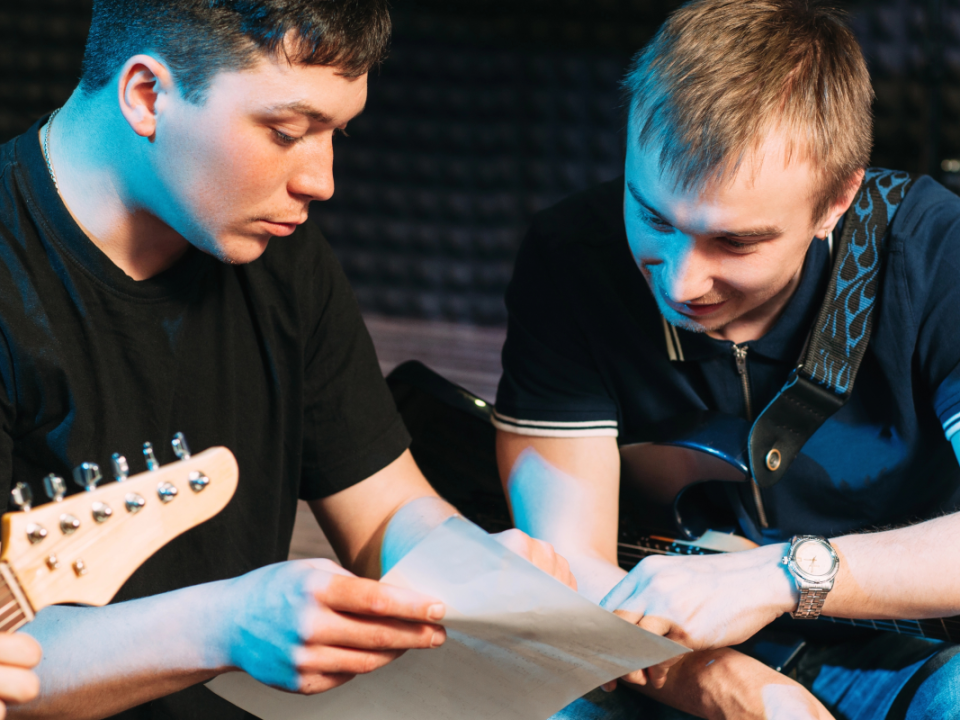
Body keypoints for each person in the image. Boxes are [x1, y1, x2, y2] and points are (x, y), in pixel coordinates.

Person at [0, 1, 575, 718]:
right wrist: (226, 624)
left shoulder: (279, 255)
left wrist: (475, 574)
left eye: (335, 133)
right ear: (147, 96)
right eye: (286, 132)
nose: (322, 181)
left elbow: (385, 509)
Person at [494, 1, 960, 718]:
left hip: (910, 652)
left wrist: (781, 576)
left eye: (735, 243)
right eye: (653, 217)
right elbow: (568, 564)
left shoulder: (937, 252)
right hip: (662, 653)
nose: (679, 281)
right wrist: (725, 685)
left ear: (838, 200)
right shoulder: (570, 257)